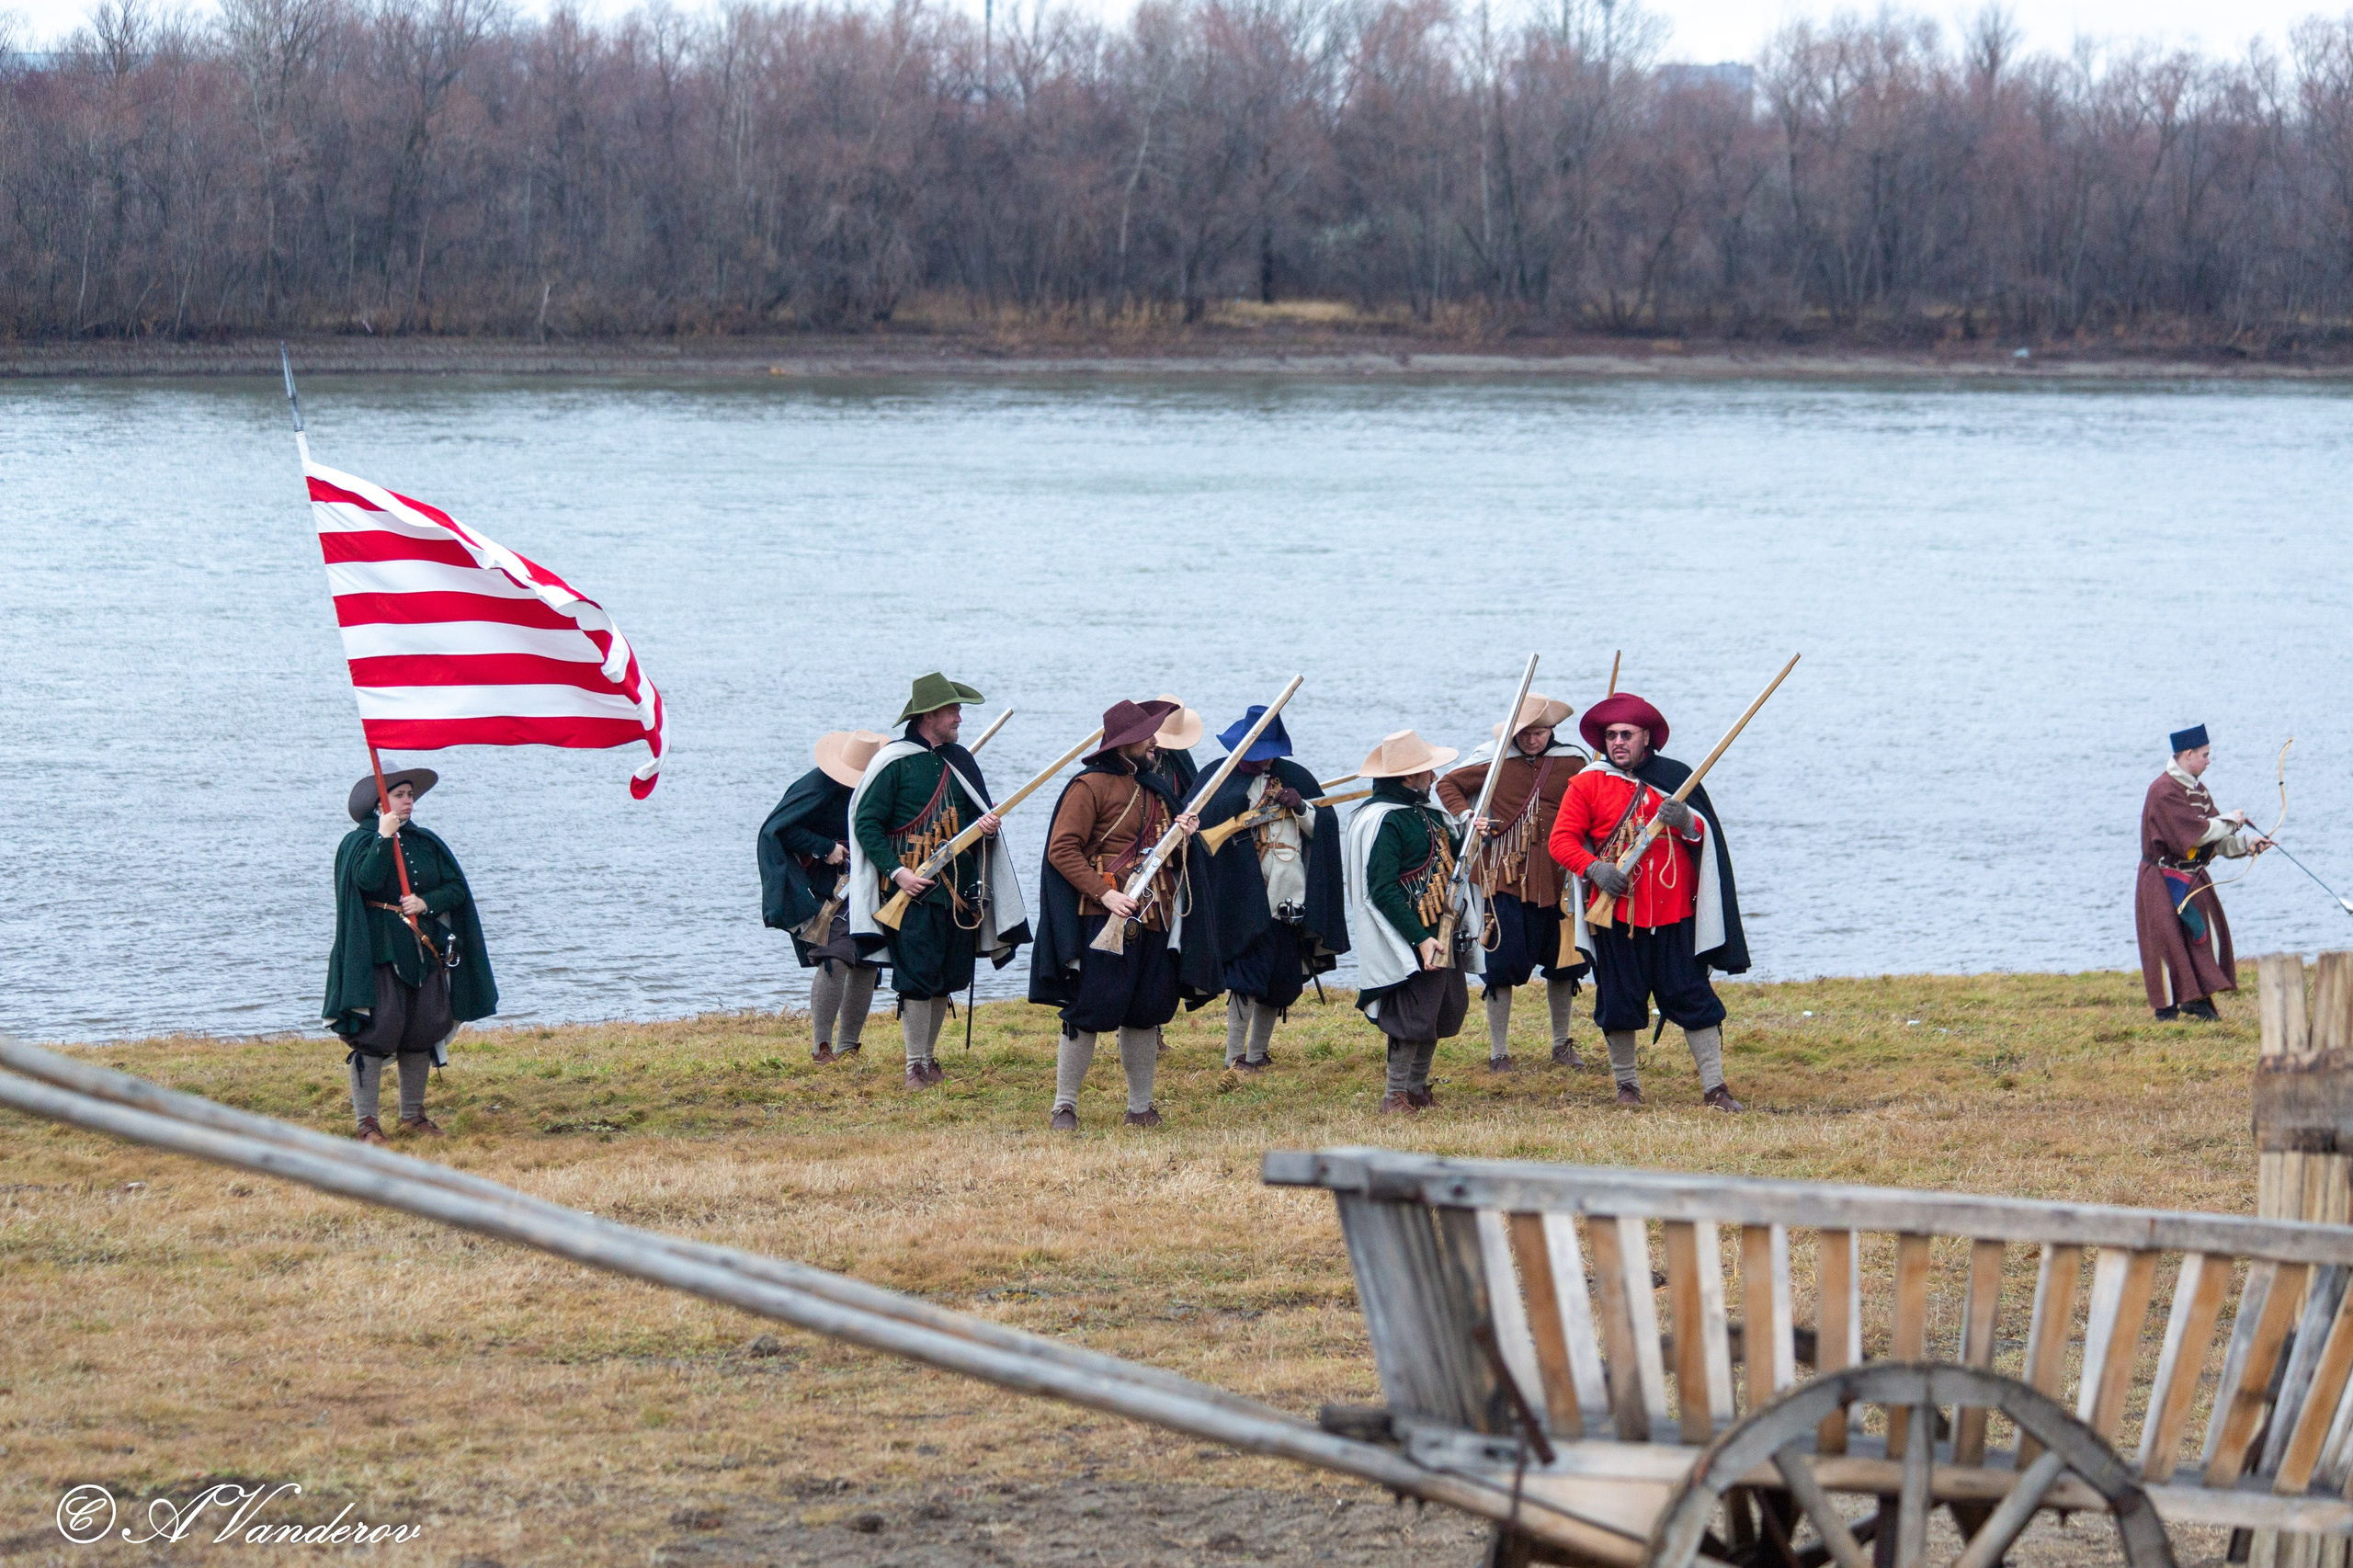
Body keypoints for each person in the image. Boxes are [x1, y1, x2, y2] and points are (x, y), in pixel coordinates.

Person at [1550, 694, 1748, 1112]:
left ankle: (1715, 1087)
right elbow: (1561, 841)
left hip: (1677, 914)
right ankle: (1627, 1086)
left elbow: (1704, 837)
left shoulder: (1677, 779)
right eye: (1610, 735)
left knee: (1692, 995)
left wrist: (1689, 823)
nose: (1617, 742)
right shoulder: (1587, 782)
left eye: (1626, 734)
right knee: (1619, 1000)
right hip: (1617, 916)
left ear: (1646, 739)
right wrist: (1594, 869)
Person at [1029, 699, 1208, 1130]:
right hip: (1101, 916)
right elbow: (1062, 850)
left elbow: (1173, 861)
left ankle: (1140, 1107)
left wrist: (1185, 839)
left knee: (1146, 1010)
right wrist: (1104, 895)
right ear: (1125, 743)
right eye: (1147, 735)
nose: (1155, 741)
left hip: (1155, 917)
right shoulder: (1087, 787)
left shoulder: (1157, 788)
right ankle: (1064, 1106)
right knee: (1088, 1009)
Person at [847, 675, 1029, 1090]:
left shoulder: (959, 760)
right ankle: (914, 1065)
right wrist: (898, 872)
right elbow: (867, 825)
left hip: (957, 895)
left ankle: (928, 1058)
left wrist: (984, 827)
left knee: (945, 978)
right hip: (910, 893)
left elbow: (969, 816)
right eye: (953, 710)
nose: (959, 718)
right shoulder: (894, 762)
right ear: (930, 715)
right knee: (917, 978)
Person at [323, 767, 496, 1144]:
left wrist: (426, 902)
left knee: (422, 1029)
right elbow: (366, 881)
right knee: (376, 1031)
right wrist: (384, 838)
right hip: (378, 953)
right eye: (400, 795)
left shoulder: (426, 842)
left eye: (410, 795)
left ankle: (412, 1115)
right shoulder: (358, 843)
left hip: (424, 949)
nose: (408, 801)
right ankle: (367, 1122)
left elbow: (456, 890)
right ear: (378, 803)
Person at [1437, 693, 1587, 1073]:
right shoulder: (1492, 758)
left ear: (1552, 730)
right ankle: (1499, 1052)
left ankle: (1561, 1043)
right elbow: (1447, 785)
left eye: (1539, 733)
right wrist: (1470, 815)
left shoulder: (1574, 761)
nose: (1532, 740)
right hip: (1502, 879)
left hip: (1560, 877)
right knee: (1499, 964)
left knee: (1564, 963)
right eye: (1525, 733)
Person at [1196, 706, 1348, 1071]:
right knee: (1245, 978)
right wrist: (1238, 813)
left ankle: (1257, 1053)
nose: (1262, 763)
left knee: (1281, 980)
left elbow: (1324, 827)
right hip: (1239, 899)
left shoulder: (1296, 778)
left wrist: (1302, 809)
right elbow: (1200, 830)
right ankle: (1235, 1056)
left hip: (1287, 898)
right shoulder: (1216, 779)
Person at [1343, 730, 1482, 1115]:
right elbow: (1382, 890)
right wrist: (1419, 938)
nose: (1434, 779)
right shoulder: (1383, 820)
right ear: (1408, 777)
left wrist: (1473, 836)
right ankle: (1395, 1094)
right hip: (1407, 933)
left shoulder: (1427, 815)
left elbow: (1453, 861)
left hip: (1443, 927)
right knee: (1410, 1016)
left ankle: (1418, 1088)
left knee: (1439, 1011)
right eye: (1427, 772)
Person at [759, 729, 888, 1062]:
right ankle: (821, 1047)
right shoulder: (817, 785)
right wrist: (824, 847)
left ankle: (848, 1045)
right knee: (836, 955)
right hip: (828, 883)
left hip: (872, 877)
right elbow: (780, 828)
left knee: (868, 959)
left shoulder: (880, 785)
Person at [2137, 724, 2269, 1020]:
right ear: (2188, 754)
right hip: (2161, 878)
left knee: (2202, 936)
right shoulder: (2162, 791)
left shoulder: (2197, 790)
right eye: (2205, 755)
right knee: (2166, 941)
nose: (2209, 761)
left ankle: (2197, 1001)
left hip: (2191, 875)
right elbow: (2196, 834)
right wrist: (2230, 821)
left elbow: (2215, 838)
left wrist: (2248, 844)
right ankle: (2166, 1010)